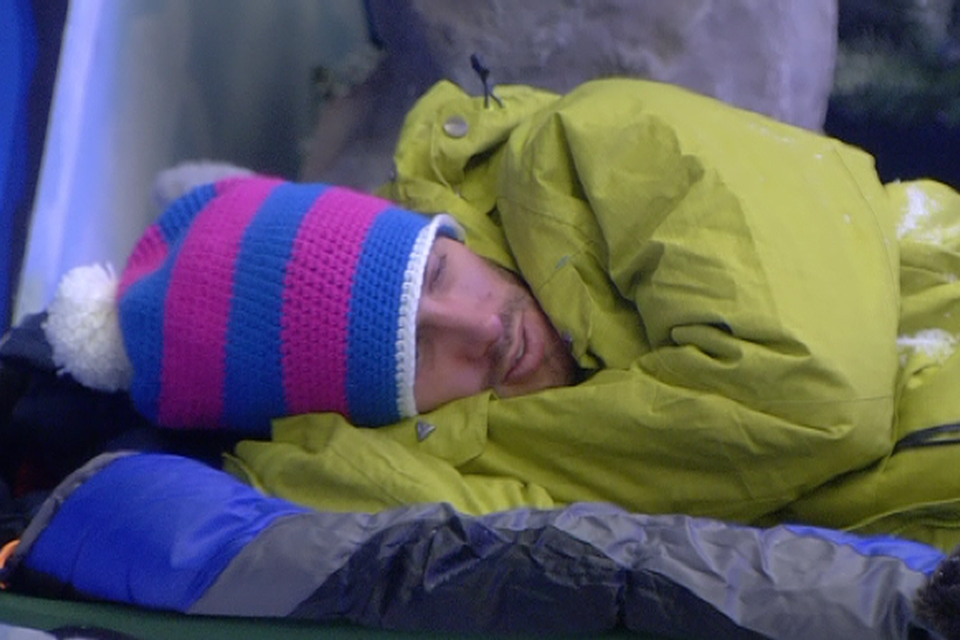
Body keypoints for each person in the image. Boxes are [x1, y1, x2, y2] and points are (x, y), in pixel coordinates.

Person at [46, 78, 960, 553]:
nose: (479, 326)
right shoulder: (460, 451)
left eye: (440, 270)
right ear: (388, 418)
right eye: (414, 353)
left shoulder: (588, 147)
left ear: (443, 229)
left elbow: (815, 396)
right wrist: (332, 465)